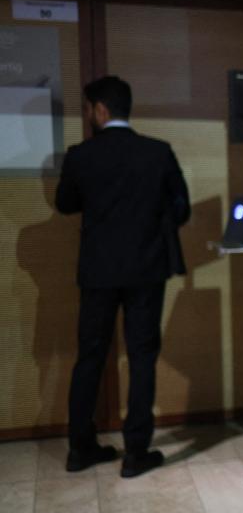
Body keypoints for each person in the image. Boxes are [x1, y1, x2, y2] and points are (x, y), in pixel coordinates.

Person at [56, 75, 190, 478]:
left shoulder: (80, 156)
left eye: (87, 109)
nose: (87, 115)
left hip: (97, 271)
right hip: (146, 269)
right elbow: (181, 208)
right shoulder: (158, 153)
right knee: (142, 356)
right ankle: (135, 453)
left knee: (90, 356)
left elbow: (65, 204)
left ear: (100, 109)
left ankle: (80, 448)